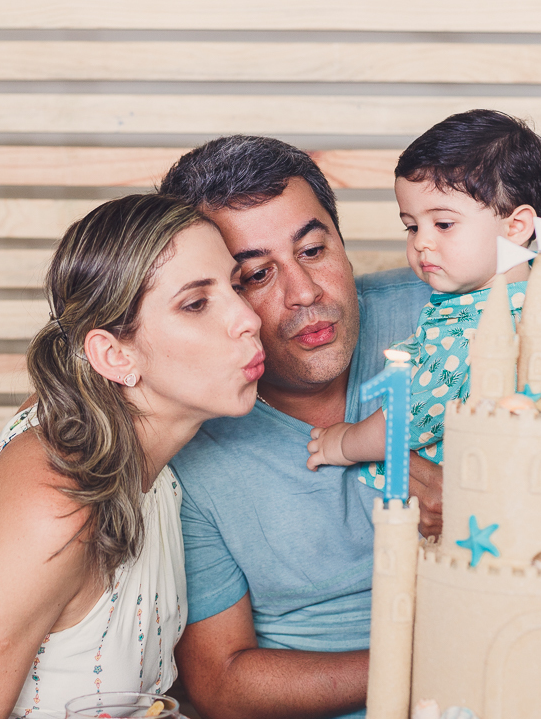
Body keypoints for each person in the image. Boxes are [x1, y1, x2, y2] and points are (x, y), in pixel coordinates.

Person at [0, 195, 263, 718]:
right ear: (113, 355)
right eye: (196, 303)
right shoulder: (54, 509)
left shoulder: (151, 465)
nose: (248, 318)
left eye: (238, 285)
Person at [158, 136, 432, 719]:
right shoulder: (185, 439)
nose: (304, 293)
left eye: (312, 250)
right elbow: (221, 683)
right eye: (256, 274)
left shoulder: (448, 318)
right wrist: (424, 661)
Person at [306, 109, 541, 476]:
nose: (422, 243)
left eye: (444, 224)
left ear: (517, 226)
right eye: (411, 227)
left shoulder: (470, 331)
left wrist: (344, 443)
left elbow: (408, 415)